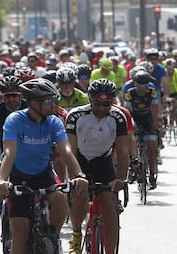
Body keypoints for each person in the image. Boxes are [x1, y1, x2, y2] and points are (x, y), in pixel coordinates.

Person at [0, 79, 88, 254]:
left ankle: (52, 238)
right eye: (48, 101)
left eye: (55, 99)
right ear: (34, 103)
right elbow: (10, 153)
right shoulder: (15, 120)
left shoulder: (53, 121)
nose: (54, 105)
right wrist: (2, 180)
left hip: (43, 174)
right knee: (20, 235)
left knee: (60, 197)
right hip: (19, 176)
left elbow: (66, 151)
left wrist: (79, 176)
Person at [66, 79, 130, 254]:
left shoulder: (118, 117)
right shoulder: (75, 116)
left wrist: (120, 178)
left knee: (110, 201)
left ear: (113, 101)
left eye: (107, 104)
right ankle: (77, 234)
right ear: (89, 99)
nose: (102, 108)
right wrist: (77, 176)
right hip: (80, 160)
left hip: (103, 161)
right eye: (98, 104)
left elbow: (123, 152)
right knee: (79, 195)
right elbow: (70, 150)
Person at [123, 72, 160, 189]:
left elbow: (154, 111)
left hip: (147, 118)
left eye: (145, 86)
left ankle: (152, 174)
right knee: (131, 139)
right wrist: (130, 129)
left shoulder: (152, 93)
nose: (142, 89)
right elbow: (127, 111)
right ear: (135, 84)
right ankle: (131, 168)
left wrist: (155, 127)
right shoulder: (130, 93)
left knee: (151, 147)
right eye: (139, 86)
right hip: (134, 118)